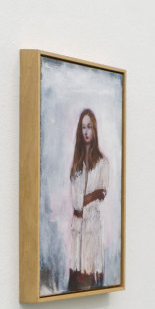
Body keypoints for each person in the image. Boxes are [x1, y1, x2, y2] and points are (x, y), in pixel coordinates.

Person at [67, 108, 110, 291]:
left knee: (92, 283)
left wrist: (89, 198)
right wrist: (87, 198)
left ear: (95, 130)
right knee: (75, 284)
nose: (86, 131)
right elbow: (77, 200)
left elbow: (102, 193)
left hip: (92, 226)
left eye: (89, 127)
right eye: (83, 127)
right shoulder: (76, 164)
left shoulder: (102, 163)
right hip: (77, 226)